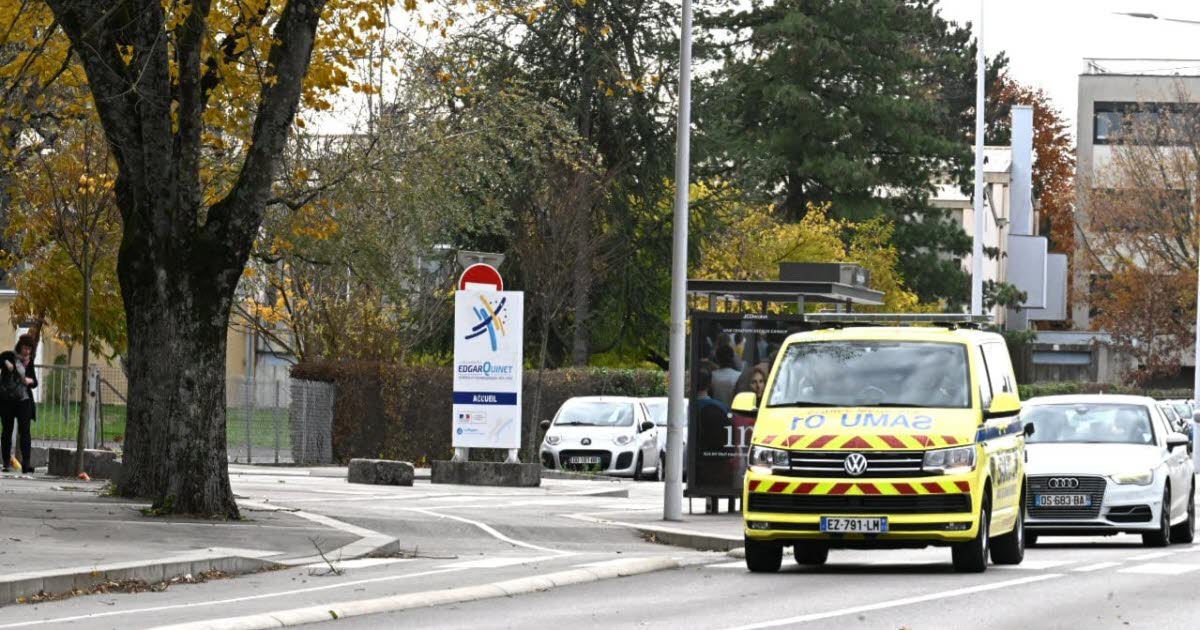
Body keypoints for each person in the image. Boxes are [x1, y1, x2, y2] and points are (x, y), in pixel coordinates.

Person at [1, 334, 37, 473]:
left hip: (23, 401)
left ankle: (26, 464)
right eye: (25, 348)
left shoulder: (29, 361)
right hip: (7, 400)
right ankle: (6, 463)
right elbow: (1, 358)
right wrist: (6, 363)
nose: (27, 352)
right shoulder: (9, 356)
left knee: (25, 433)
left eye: (29, 349)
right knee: (7, 432)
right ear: (20, 346)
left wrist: (30, 381)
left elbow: (35, 381)